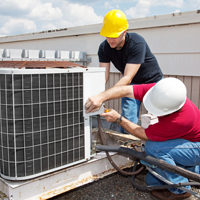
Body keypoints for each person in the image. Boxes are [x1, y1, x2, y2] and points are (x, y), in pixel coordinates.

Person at [85, 77, 200, 200]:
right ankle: (191, 170)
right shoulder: (160, 92)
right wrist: (101, 97)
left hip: (196, 146)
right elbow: (125, 90)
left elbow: (142, 133)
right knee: (152, 181)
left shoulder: (180, 120)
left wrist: (119, 119)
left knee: (154, 149)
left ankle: (181, 190)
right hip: (187, 140)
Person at [98, 9, 163, 133]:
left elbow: (127, 77)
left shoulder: (136, 42)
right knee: (127, 120)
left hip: (153, 83)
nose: (111, 40)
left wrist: (103, 97)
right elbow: (103, 77)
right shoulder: (104, 48)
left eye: (115, 36)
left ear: (124, 32)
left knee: (157, 120)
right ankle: (128, 148)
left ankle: (155, 147)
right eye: (108, 35)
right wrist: (97, 95)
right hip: (132, 84)